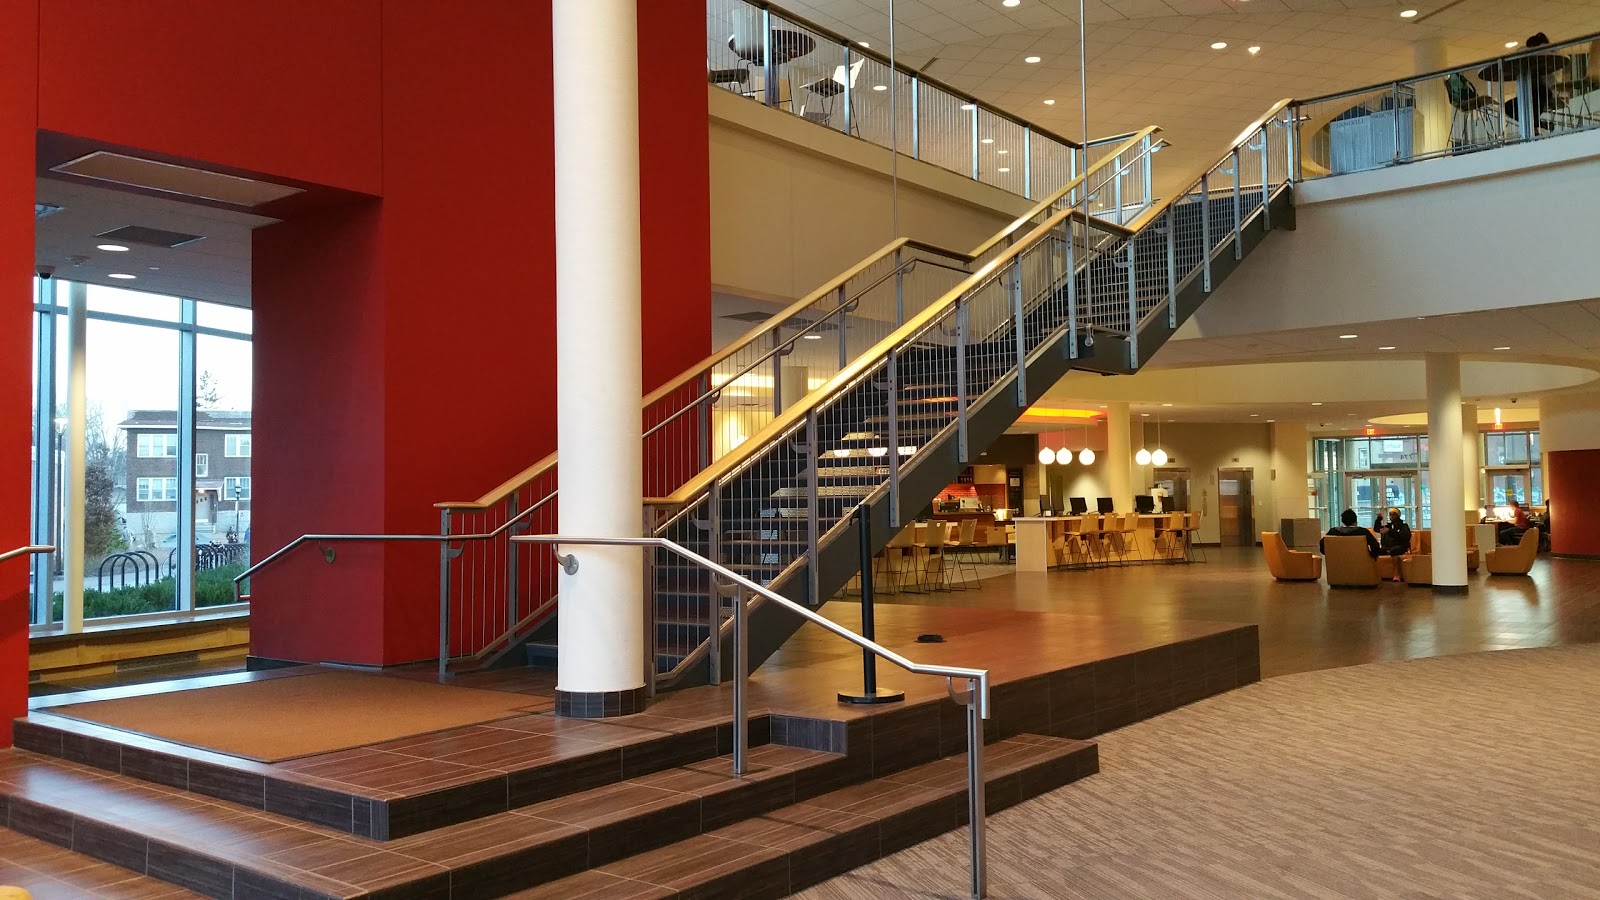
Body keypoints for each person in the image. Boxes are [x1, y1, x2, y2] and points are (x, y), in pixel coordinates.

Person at [1505, 32, 1559, 129]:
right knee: (1509, 106)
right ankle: (1537, 125)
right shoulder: (1534, 61)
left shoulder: (1549, 55)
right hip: (1530, 93)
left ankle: (1535, 126)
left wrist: (1535, 50)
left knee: (1536, 93)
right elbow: (1520, 51)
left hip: (1547, 91)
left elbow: (1523, 51)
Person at [1378, 507, 1411, 581]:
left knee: (1394, 550)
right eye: (1390, 515)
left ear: (1398, 515)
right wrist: (1378, 519)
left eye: (1394, 515)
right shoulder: (1388, 526)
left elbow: (1403, 537)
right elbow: (1378, 530)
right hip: (1388, 547)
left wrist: (1390, 532)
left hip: (1401, 546)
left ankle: (1396, 574)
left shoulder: (1404, 526)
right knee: (1376, 550)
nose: (1392, 517)